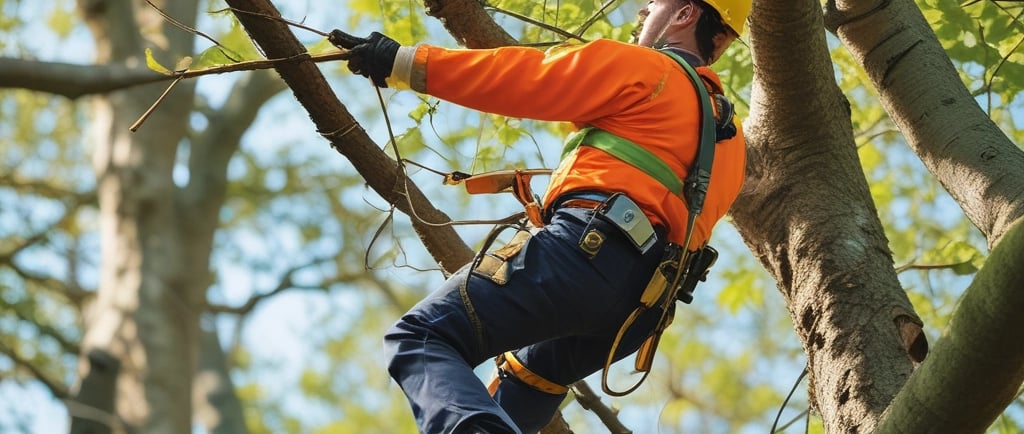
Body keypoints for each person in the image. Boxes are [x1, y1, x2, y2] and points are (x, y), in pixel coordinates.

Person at [334, 0, 751, 432]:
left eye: (655, 2)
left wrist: (400, 63)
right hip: (639, 313)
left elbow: (526, 78)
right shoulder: (732, 145)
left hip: (586, 255)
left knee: (422, 336)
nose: (643, 11)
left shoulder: (649, 70)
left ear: (685, 15)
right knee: (522, 383)